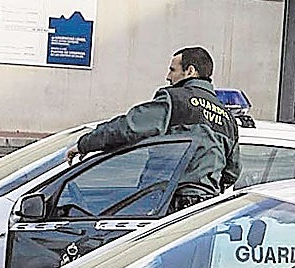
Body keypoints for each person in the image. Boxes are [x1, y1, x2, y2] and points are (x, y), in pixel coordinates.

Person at [66, 46, 240, 213]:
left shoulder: (175, 100)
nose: (168, 77)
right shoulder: (227, 117)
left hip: (171, 202)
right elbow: (232, 173)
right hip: (204, 210)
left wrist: (85, 144)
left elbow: (128, 128)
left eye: (172, 70)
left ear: (190, 71)